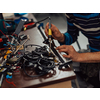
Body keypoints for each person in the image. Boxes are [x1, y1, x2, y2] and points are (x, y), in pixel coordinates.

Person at [45, 13, 100, 87]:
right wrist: (61, 37)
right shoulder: (71, 13)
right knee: (58, 69)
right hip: (93, 50)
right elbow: (72, 34)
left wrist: (79, 57)